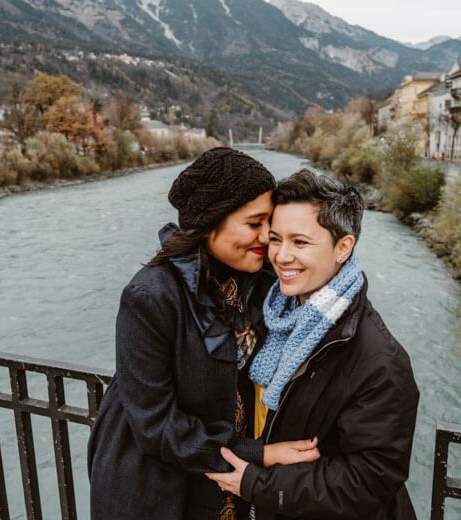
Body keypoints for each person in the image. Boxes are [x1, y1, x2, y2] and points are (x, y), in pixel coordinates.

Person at [88, 148, 320, 520]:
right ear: (211, 223)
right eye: (254, 223)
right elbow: (154, 425)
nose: (267, 237)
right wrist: (257, 454)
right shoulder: (150, 297)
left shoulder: (261, 284)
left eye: (269, 223)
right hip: (155, 490)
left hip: (226, 487)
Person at [206, 169, 420, 519]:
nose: (282, 256)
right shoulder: (273, 314)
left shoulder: (379, 359)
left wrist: (256, 483)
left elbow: (367, 481)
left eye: (300, 242)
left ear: (343, 247)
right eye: (276, 239)